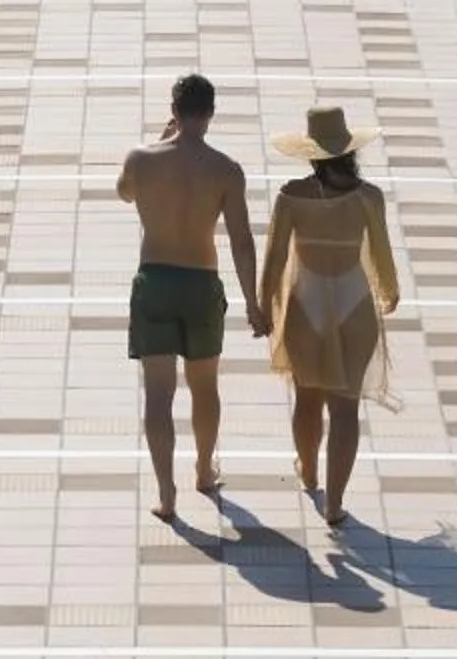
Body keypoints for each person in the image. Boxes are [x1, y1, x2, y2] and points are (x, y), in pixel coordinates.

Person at [115, 73, 267, 522]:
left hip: (154, 281)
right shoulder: (226, 170)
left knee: (158, 394)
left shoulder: (141, 158)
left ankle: (167, 494)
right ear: (211, 114)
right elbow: (242, 242)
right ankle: (203, 470)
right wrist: (253, 305)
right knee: (205, 387)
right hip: (201, 284)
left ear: (174, 110)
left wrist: (159, 141)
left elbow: (124, 193)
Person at [257, 104, 399, 526]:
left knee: (306, 397)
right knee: (345, 408)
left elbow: (275, 259)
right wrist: (390, 291)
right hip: (354, 303)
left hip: (307, 301)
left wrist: (264, 305)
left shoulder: (291, 196)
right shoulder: (368, 197)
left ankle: (310, 472)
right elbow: (381, 255)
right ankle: (335, 502)